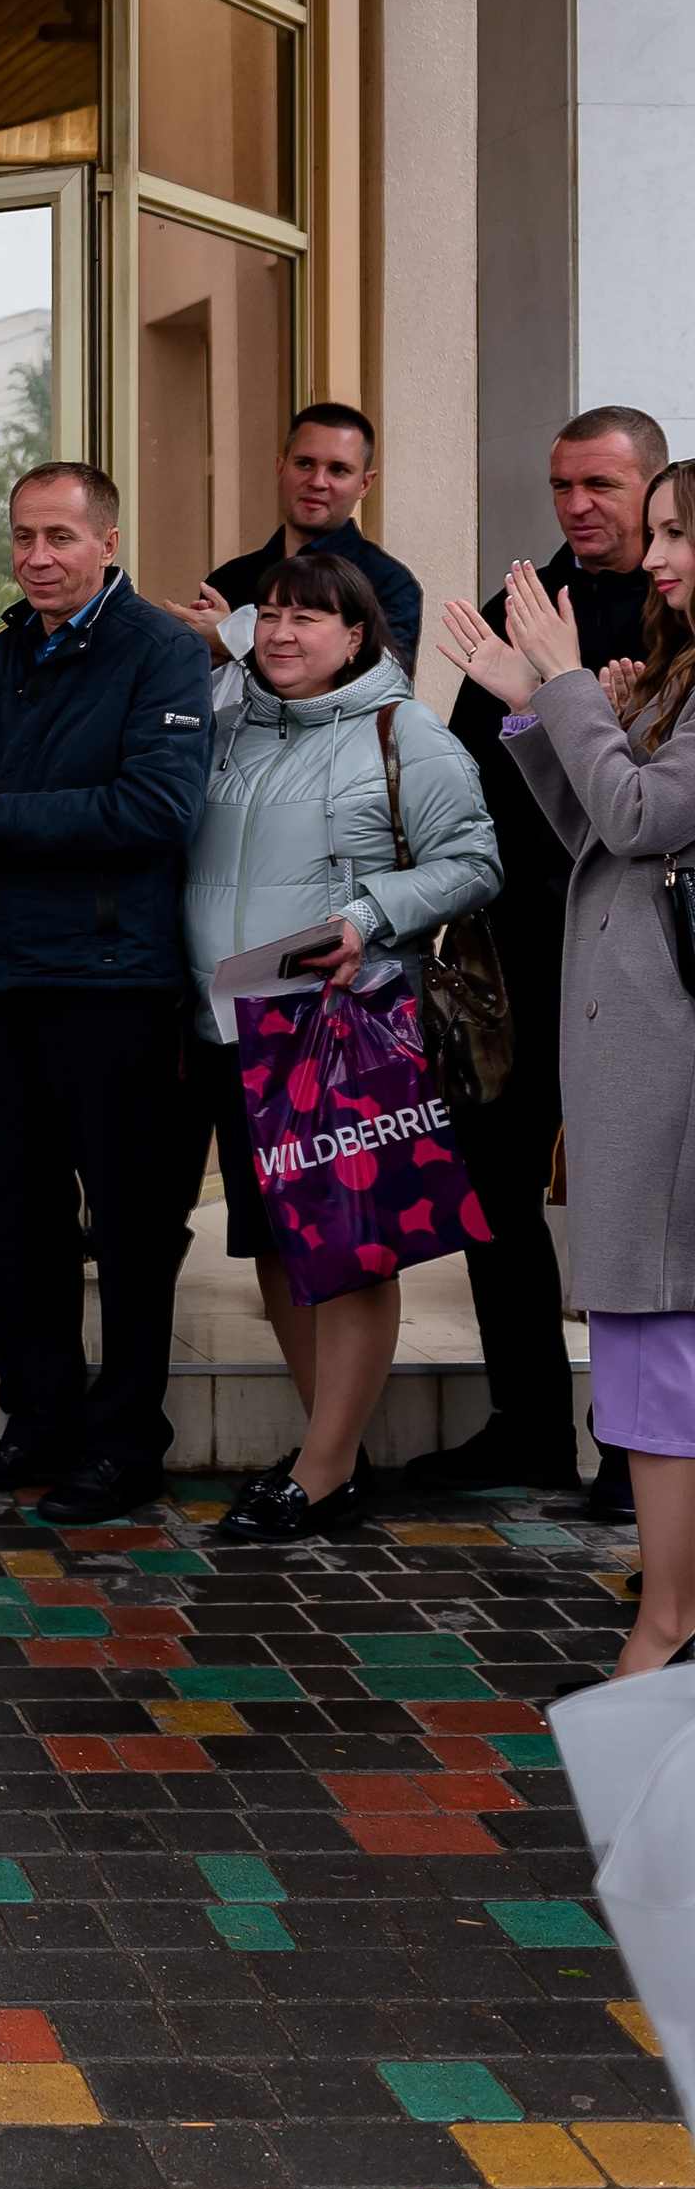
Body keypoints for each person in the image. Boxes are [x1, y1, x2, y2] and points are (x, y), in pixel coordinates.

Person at [0, 463, 213, 1525]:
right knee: (18, 1219)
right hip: (12, 967)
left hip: (116, 980)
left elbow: (154, 810)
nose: (37, 557)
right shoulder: (5, 655)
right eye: (24, 537)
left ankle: (123, 1446)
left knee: (127, 1224)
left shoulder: (160, 652)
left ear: (107, 541)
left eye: (60, 538)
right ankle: (36, 1423)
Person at [181, 556, 499, 1540]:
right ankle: (335, 1447)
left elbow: (473, 861)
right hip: (232, 1028)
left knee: (351, 1252)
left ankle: (320, 1472)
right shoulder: (228, 729)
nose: (280, 633)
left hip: (339, 1025)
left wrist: (368, 914)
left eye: (306, 618)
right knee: (279, 1244)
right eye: (267, 614)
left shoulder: (406, 735)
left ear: (355, 635)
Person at [444, 472, 695, 1671]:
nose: (651, 557)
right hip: (636, 1047)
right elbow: (595, 829)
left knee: (655, 1342)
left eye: (672, 532)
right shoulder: (675, 676)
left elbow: (642, 818)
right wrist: (536, 706)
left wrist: (558, 686)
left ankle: (664, 1623)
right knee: (644, 1346)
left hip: (670, 1064)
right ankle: (667, 1611)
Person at [404, 403, 669, 1507]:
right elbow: (475, 768)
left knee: (628, 1206)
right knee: (493, 1184)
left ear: (650, 489)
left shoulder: (676, 605)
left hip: (633, 948)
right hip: (512, 945)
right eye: (563, 486)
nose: (576, 507)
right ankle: (523, 1422)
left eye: (600, 487)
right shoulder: (527, 603)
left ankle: (633, 1450)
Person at [166, 403, 425, 675]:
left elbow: (384, 686)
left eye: (338, 470)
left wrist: (232, 638)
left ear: (364, 484)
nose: (318, 481)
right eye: (304, 463)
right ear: (280, 468)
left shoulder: (387, 582)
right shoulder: (231, 578)